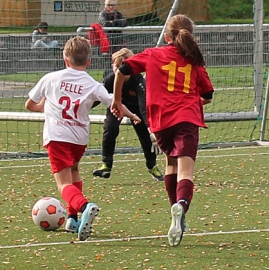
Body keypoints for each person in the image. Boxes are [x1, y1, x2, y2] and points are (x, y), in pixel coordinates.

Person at [111, 14, 214, 247]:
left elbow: (122, 70)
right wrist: (192, 102)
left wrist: (117, 101)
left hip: (161, 120)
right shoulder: (195, 61)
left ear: (167, 37)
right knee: (186, 170)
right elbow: (207, 95)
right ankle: (181, 206)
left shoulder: (153, 54)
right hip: (186, 118)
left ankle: (174, 209)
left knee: (171, 164)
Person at [26, 36, 139, 241]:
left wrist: (45, 106)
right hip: (78, 138)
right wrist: (131, 115)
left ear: (65, 59)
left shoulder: (50, 78)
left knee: (63, 184)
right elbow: (115, 103)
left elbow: (30, 104)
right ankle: (71, 218)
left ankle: (85, 206)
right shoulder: (93, 84)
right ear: (88, 62)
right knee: (74, 170)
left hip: (57, 136)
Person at [92, 48, 163, 182]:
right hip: (116, 106)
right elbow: (96, 98)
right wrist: (81, 108)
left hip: (136, 109)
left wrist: (150, 128)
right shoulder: (109, 80)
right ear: (112, 66)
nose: (121, 70)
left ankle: (152, 165)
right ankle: (106, 164)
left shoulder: (138, 81)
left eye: (124, 66)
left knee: (145, 135)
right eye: (118, 66)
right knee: (110, 128)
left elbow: (143, 106)